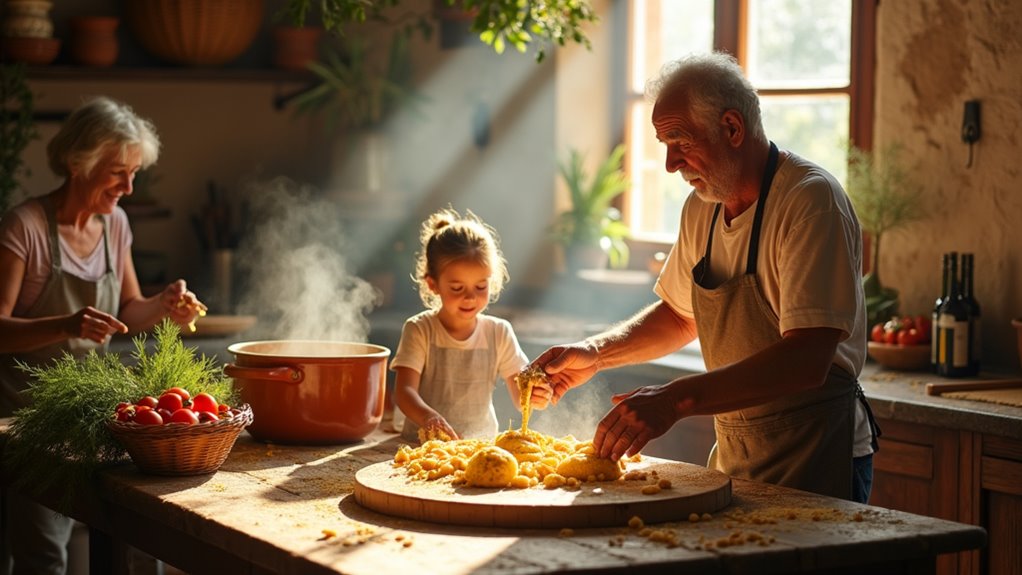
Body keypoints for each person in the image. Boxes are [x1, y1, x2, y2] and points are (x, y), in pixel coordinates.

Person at [533, 52, 880, 504]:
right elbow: (680, 317)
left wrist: (674, 400)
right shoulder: (703, 206)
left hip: (820, 450)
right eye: (663, 145)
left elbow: (807, 357)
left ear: (732, 129)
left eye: (679, 141)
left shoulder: (809, 201)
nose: (670, 164)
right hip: (739, 451)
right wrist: (595, 354)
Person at [0, 96, 205, 574]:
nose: (129, 187)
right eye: (118, 172)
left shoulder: (115, 225)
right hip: (27, 424)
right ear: (79, 163)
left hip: (93, 412)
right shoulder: (24, 227)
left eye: (134, 173)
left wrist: (165, 307)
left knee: (131, 536)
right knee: (44, 554)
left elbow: (129, 311)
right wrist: (66, 324)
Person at [392, 207, 549, 444]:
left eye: (480, 287)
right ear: (433, 284)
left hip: (480, 446)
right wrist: (428, 417)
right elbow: (404, 393)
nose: (470, 297)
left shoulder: (499, 332)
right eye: (457, 288)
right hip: (421, 445)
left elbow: (521, 396)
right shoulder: (420, 329)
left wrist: (536, 394)